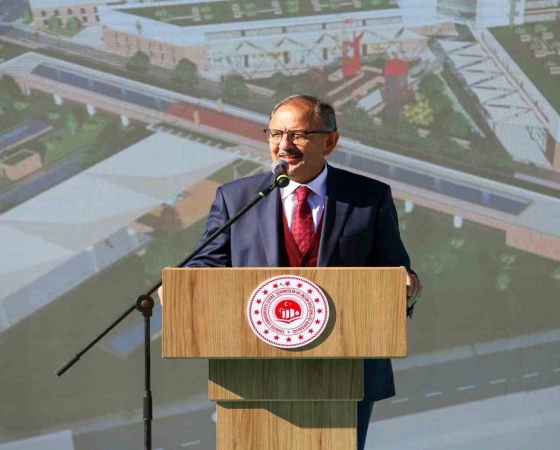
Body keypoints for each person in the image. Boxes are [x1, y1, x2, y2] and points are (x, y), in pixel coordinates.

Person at [180, 94, 420, 449]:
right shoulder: (237, 198)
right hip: (254, 371)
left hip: (346, 370)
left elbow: (394, 268)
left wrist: (405, 284)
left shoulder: (368, 197)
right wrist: (183, 287)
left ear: (330, 141)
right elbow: (204, 266)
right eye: (276, 134)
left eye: (298, 135)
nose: (284, 146)